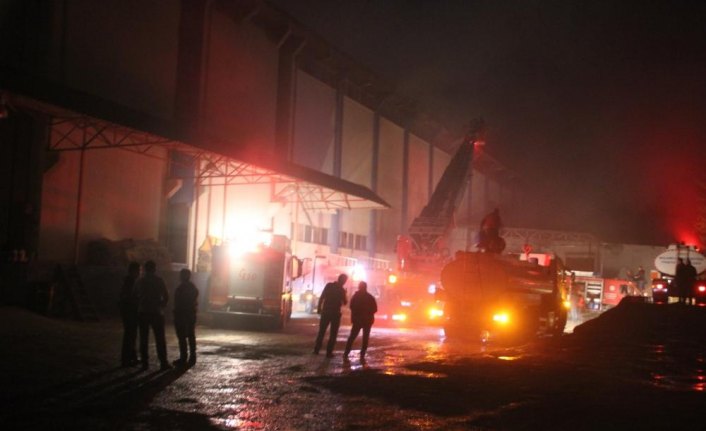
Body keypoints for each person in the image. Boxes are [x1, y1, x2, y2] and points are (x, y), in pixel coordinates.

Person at [135, 260, 171, 371]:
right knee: (160, 338)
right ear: (154, 269)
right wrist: (162, 305)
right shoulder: (159, 280)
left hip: (143, 312)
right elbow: (166, 295)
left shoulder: (140, 281)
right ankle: (163, 362)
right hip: (156, 312)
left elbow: (134, 295)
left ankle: (145, 363)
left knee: (144, 338)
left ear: (145, 269)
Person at [313, 273, 348, 358]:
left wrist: (319, 308)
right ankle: (329, 352)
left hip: (326, 311)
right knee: (333, 333)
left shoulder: (329, 285)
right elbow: (345, 302)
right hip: (335, 313)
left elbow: (322, 297)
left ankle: (316, 349)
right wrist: (345, 294)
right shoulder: (341, 290)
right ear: (344, 281)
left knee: (322, 331)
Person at [343, 281, 378, 362]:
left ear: (359, 287)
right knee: (365, 338)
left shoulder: (356, 297)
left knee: (352, 337)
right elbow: (375, 309)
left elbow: (351, 306)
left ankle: (346, 353)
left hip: (358, 320)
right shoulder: (370, 297)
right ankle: (362, 354)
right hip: (367, 320)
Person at [173, 268, 199, 367]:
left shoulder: (182, 288)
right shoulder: (192, 287)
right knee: (190, 335)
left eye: (181, 275)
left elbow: (179, 302)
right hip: (189, 314)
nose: (180, 277)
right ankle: (191, 356)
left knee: (182, 337)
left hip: (183, 314)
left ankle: (184, 357)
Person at [119, 262, 140, 367]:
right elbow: (130, 296)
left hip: (128, 311)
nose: (140, 273)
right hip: (130, 311)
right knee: (130, 335)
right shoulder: (131, 282)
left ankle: (131, 357)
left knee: (131, 334)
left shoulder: (129, 281)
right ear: (133, 271)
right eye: (138, 270)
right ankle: (127, 358)